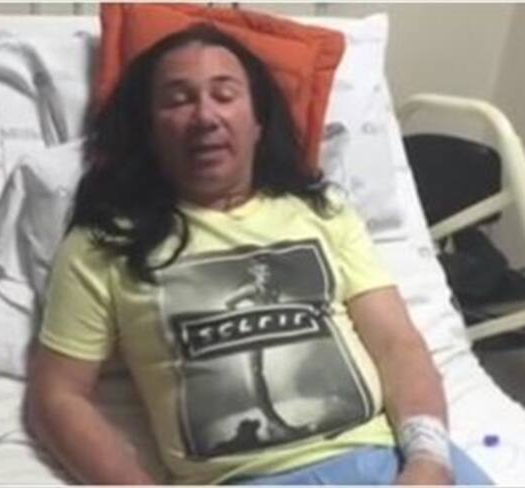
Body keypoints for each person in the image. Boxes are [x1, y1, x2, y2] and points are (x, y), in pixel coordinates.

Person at [26, 23, 492, 485]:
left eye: (224, 95)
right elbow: (57, 397)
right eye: (178, 99)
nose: (205, 116)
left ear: (257, 122)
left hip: (389, 462)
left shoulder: (322, 212)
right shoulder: (105, 243)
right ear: (148, 129)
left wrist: (429, 460)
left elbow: (397, 344)